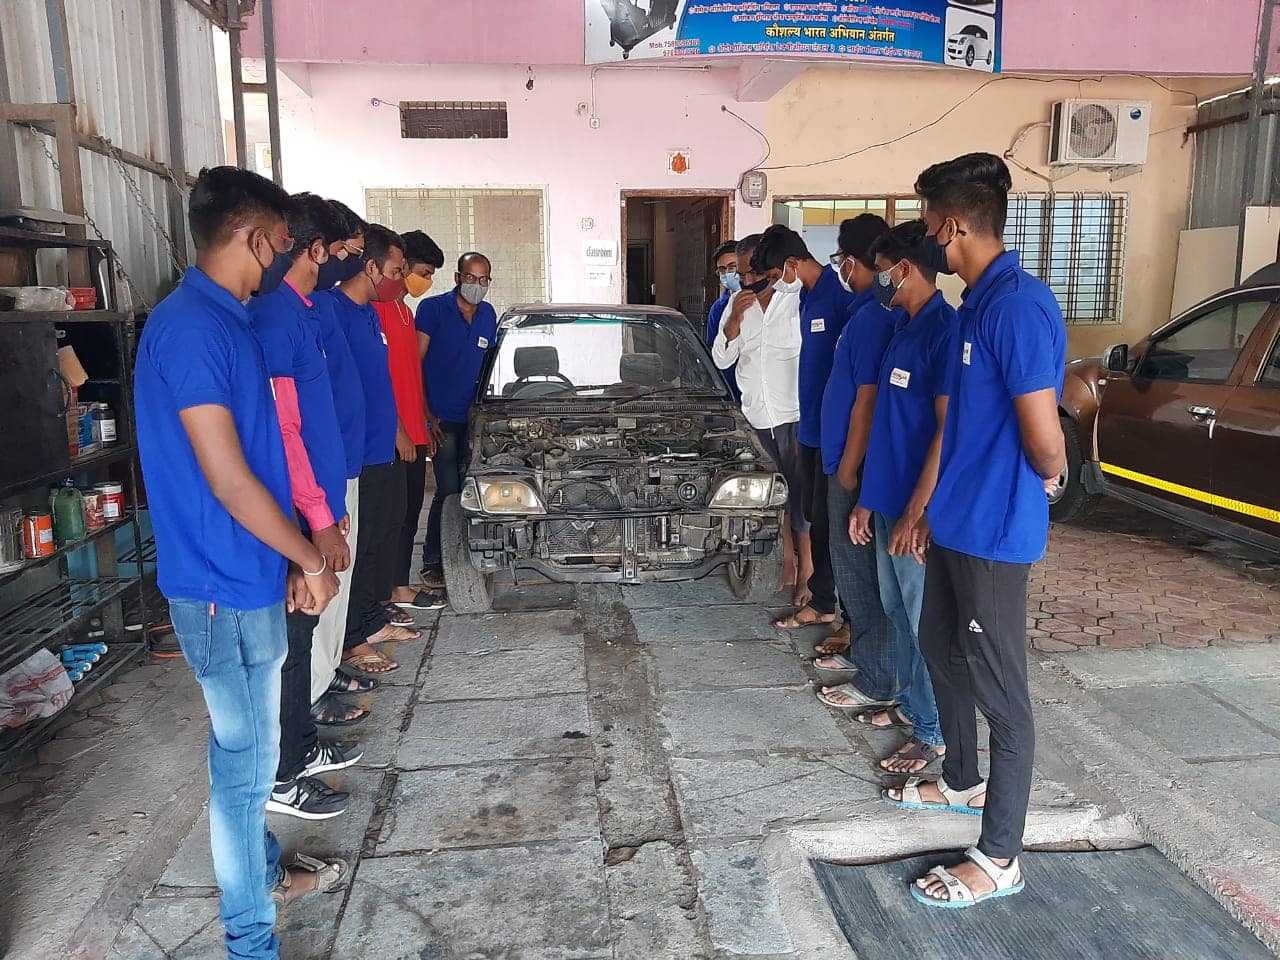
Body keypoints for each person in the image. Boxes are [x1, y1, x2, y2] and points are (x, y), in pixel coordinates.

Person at [134, 166, 344, 959]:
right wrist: (309, 557)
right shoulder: (192, 328)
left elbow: (263, 453)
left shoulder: (230, 320)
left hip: (249, 573)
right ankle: (250, 942)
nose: (285, 258)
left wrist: (289, 557)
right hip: (219, 587)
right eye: (283, 243)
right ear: (256, 239)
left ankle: (259, 879)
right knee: (245, 772)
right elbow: (227, 479)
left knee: (246, 758)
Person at [886, 153, 1066, 910]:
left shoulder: (1017, 307)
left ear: (954, 225)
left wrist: (1052, 478)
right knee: (939, 647)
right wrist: (931, 510)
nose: (929, 239)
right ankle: (962, 779)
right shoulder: (977, 306)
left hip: (994, 532)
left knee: (1002, 692)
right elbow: (959, 424)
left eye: (931, 225)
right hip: (959, 523)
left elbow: (1043, 437)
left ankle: (1000, 856)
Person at [247, 192, 364, 821]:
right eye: (340, 250)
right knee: (290, 640)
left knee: (303, 629)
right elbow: (283, 431)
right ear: (313, 249)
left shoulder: (299, 313)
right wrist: (317, 518)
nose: (343, 263)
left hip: (315, 496)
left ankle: (300, 744)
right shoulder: (275, 318)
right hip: (294, 506)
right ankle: (282, 773)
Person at [847, 220, 957, 777]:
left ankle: (935, 732)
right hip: (888, 498)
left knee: (921, 619)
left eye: (882, 269)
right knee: (897, 611)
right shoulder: (902, 327)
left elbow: (945, 430)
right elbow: (890, 427)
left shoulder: (943, 331)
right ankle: (914, 706)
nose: (878, 280)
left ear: (905, 268)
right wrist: (869, 500)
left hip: (915, 507)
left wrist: (919, 510)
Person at [316, 224, 420, 679]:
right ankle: (351, 637)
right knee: (353, 548)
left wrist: (397, 429)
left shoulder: (370, 314)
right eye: (396, 271)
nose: (400, 280)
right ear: (371, 267)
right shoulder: (330, 310)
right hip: (351, 453)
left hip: (380, 445)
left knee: (380, 536)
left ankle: (369, 619)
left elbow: (379, 383)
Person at [810, 215, 900, 711]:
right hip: (845, 456)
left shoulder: (873, 318)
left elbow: (866, 399)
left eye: (842, 259)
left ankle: (876, 678)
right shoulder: (864, 312)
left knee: (859, 569)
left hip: (853, 462)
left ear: (856, 261)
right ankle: (868, 656)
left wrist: (847, 467)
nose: (840, 269)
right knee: (857, 570)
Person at [754, 225, 851, 632]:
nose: (776, 284)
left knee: (836, 525)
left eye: (776, 275)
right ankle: (822, 602)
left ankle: (848, 616)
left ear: (792, 263)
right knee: (816, 516)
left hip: (833, 431)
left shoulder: (840, 298)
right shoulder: (806, 298)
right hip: (809, 427)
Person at [711, 234, 807, 586]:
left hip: (793, 416)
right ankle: (786, 561)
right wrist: (735, 319)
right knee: (771, 497)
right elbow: (721, 358)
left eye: (754, 271)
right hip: (756, 418)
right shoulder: (736, 304)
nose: (749, 279)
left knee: (802, 496)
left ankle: (809, 569)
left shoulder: (796, 300)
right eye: (742, 274)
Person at [307, 203, 372, 706]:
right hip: (316, 480)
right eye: (348, 249)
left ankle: (327, 672)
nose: (351, 259)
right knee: (319, 586)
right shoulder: (290, 313)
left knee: (337, 583)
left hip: (342, 464)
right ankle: (311, 689)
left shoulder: (320, 307)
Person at [417, 252, 499, 590]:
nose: (477, 285)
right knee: (449, 490)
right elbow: (413, 364)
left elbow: (490, 363)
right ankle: (434, 560)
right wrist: (425, 414)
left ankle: (472, 554)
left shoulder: (488, 314)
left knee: (476, 488)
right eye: (470, 278)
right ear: (457, 278)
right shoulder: (433, 310)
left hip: (477, 418)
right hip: (441, 419)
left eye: (483, 280)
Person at [377, 230, 448, 610]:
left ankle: (398, 585)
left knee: (408, 514)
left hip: (415, 430)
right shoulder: (379, 311)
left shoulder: (406, 313)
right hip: (395, 436)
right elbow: (379, 379)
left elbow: (410, 375)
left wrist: (426, 419)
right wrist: (400, 432)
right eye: (423, 272)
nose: (426, 281)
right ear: (403, 266)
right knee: (392, 517)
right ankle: (389, 589)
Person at [706, 240, 741, 400]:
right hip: (729, 387)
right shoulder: (719, 308)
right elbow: (713, 349)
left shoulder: (762, 301)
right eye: (722, 269)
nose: (727, 273)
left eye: (732, 267)